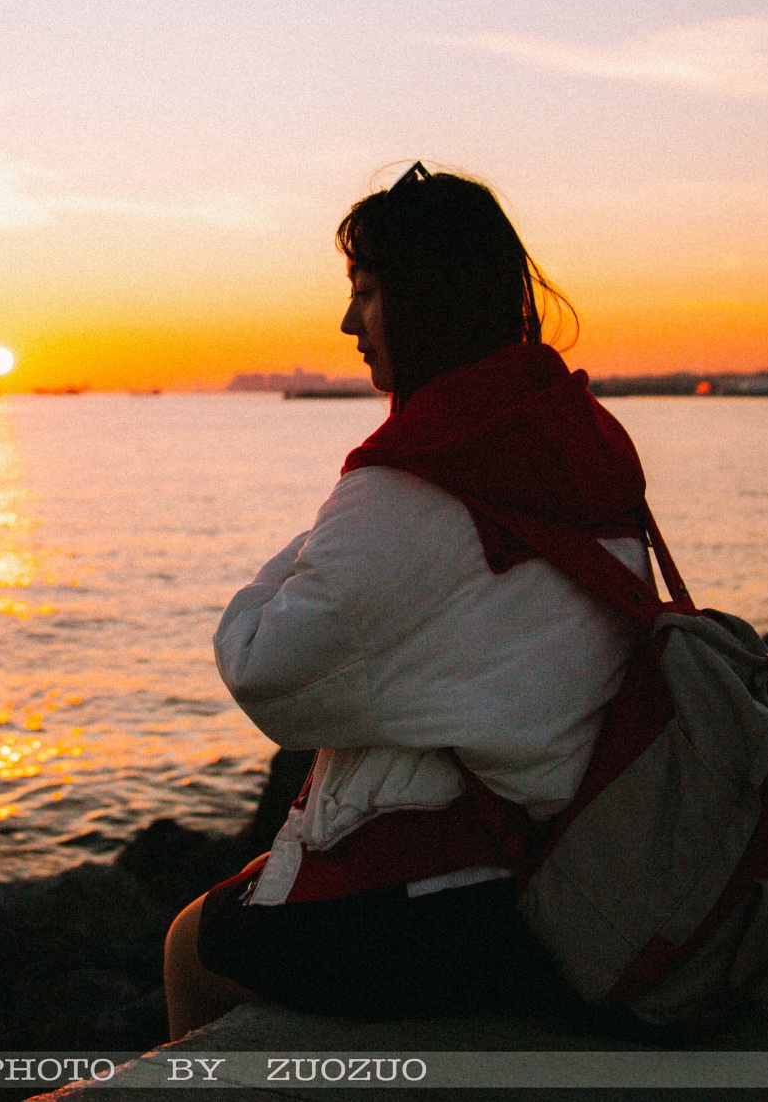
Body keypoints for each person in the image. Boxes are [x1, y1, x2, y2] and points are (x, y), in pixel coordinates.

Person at [161, 163, 658, 1039]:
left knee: (186, 949)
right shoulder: (577, 439)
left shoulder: (408, 486)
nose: (349, 321)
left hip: (473, 901)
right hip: (587, 846)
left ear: (424, 299)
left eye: (367, 290)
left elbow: (264, 670)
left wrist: (324, 530)